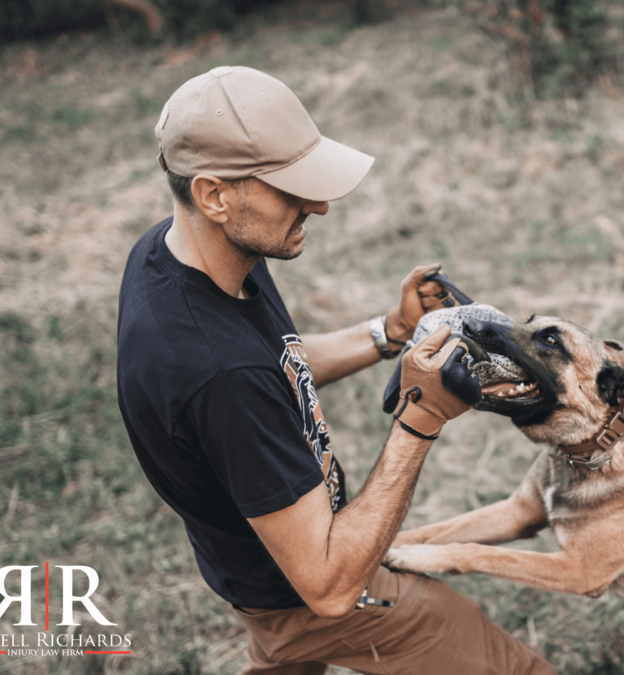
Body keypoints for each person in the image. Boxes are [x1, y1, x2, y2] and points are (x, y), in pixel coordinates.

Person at [116, 65, 555, 675]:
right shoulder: (217, 373)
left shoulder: (180, 253)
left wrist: (388, 332)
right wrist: (421, 418)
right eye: (291, 189)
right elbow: (328, 588)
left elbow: (276, 367)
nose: (318, 205)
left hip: (257, 571)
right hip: (308, 590)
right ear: (214, 195)